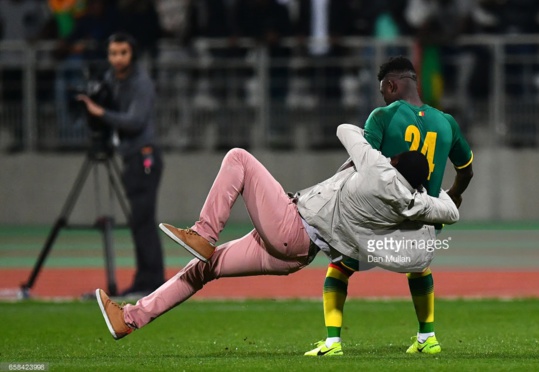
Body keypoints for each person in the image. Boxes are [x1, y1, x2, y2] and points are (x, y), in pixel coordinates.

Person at [94, 123, 459, 344]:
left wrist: (375, 138)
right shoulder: (413, 202)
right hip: (299, 254)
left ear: (393, 161)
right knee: (204, 269)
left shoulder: (378, 168)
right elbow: (452, 211)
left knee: (238, 157)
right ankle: (129, 320)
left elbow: (346, 131)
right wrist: (429, 192)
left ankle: (204, 232)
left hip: (292, 224)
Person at [307, 56, 473, 356]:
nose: (382, 95)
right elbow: (466, 170)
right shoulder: (446, 123)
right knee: (420, 270)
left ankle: (332, 342)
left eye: (383, 89)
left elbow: (363, 165)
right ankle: (428, 338)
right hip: (420, 227)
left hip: (377, 225)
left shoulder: (382, 117)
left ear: (392, 84)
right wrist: (454, 195)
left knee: (339, 267)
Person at [78, 32, 165, 297]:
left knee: (143, 221)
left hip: (145, 157)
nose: (117, 59)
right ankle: (144, 281)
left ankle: (152, 282)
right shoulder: (111, 80)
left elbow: (135, 121)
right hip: (130, 158)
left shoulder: (141, 83)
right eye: (113, 53)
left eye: (123, 53)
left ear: (132, 54)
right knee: (139, 222)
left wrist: (100, 113)